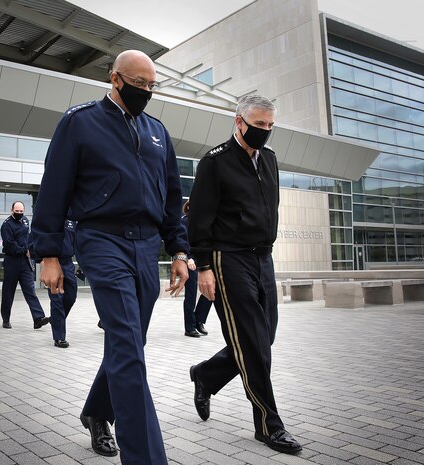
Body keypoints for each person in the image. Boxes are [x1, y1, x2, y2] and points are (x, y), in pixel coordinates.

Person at [32, 50, 189, 464]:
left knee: (129, 344)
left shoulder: (157, 131)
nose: (146, 92)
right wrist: (48, 253)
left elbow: (171, 194)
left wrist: (178, 248)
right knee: (129, 348)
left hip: (146, 245)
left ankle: (97, 412)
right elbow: (53, 189)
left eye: (152, 86)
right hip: (101, 240)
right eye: (139, 84)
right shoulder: (79, 122)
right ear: (115, 78)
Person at [187, 95, 302, 454]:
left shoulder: (268, 159)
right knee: (252, 345)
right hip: (228, 259)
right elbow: (199, 218)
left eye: (270, 126)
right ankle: (269, 425)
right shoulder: (214, 162)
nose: (264, 132)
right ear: (239, 122)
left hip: (262, 258)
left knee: (263, 336)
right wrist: (204, 267)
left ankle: (206, 374)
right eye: (258, 125)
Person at [0, 201, 49, 330]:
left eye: (21, 212)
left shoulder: (25, 221)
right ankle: (6, 319)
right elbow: (9, 244)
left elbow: (29, 238)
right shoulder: (7, 225)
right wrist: (24, 251)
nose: (19, 214)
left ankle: (38, 318)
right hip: (12, 261)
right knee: (8, 292)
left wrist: (32, 250)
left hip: (25, 262)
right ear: (12, 210)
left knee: (30, 291)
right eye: (17, 211)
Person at [181, 200, 212, 338]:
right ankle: (189, 327)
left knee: (210, 291)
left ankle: (199, 320)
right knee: (191, 294)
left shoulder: (203, 222)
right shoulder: (184, 221)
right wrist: (188, 258)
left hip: (203, 260)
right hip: (190, 261)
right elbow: (182, 242)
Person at [45, 219, 77, 348]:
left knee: (71, 296)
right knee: (57, 298)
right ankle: (59, 337)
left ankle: (55, 319)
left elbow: (77, 241)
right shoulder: (49, 217)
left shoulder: (72, 220)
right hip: (53, 261)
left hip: (68, 262)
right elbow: (37, 238)